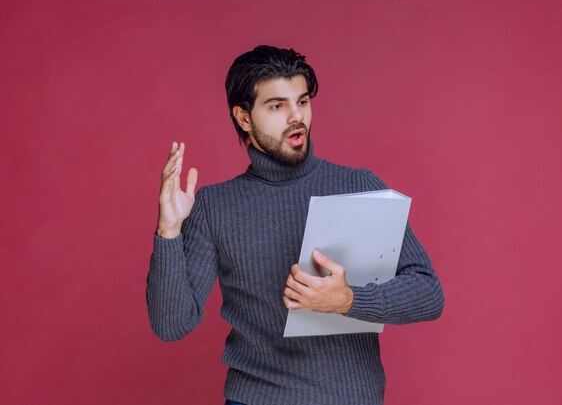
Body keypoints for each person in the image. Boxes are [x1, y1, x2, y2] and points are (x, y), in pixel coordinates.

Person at [146, 45, 444, 405]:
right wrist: (169, 231)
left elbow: (429, 294)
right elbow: (171, 325)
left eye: (302, 102)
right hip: (256, 398)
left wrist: (348, 300)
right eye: (277, 106)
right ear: (243, 117)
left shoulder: (361, 186)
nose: (296, 117)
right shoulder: (214, 206)